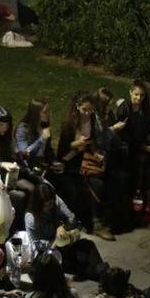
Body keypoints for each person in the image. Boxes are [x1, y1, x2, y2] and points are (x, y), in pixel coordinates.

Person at [56, 93, 113, 240]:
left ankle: (100, 219)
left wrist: (95, 153)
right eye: (84, 110)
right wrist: (77, 144)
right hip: (70, 161)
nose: (87, 113)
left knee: (106, 176)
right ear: (77, 107)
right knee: (94, 184)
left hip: (84, 158)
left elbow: (90, 141)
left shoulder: (91, 120)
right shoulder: (69, 124)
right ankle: (95, 223)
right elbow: (62, 151)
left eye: (90, 110)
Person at [23, 182, 108, 281]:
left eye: (51, 203)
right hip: (51, 250)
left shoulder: (55, 200)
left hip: (65, 241)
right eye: (46, 205)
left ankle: (106, 275)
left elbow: (72, 219)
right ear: (38, 205)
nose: (50, 207)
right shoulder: (31, 218)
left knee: (88, 245)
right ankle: (106, 276)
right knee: (81, 264)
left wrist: (61, 227)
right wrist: (56, 241)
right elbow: (37, 244)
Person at [112, 79, 150, 192]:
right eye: (136, 94)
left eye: (142, 95)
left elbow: (149, 126)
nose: (139, 98)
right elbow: (124, 135)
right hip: (128, 145)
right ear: (130, 92)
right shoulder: (124, 109)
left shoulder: (144, 108)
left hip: (142, 141)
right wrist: (142, 147)